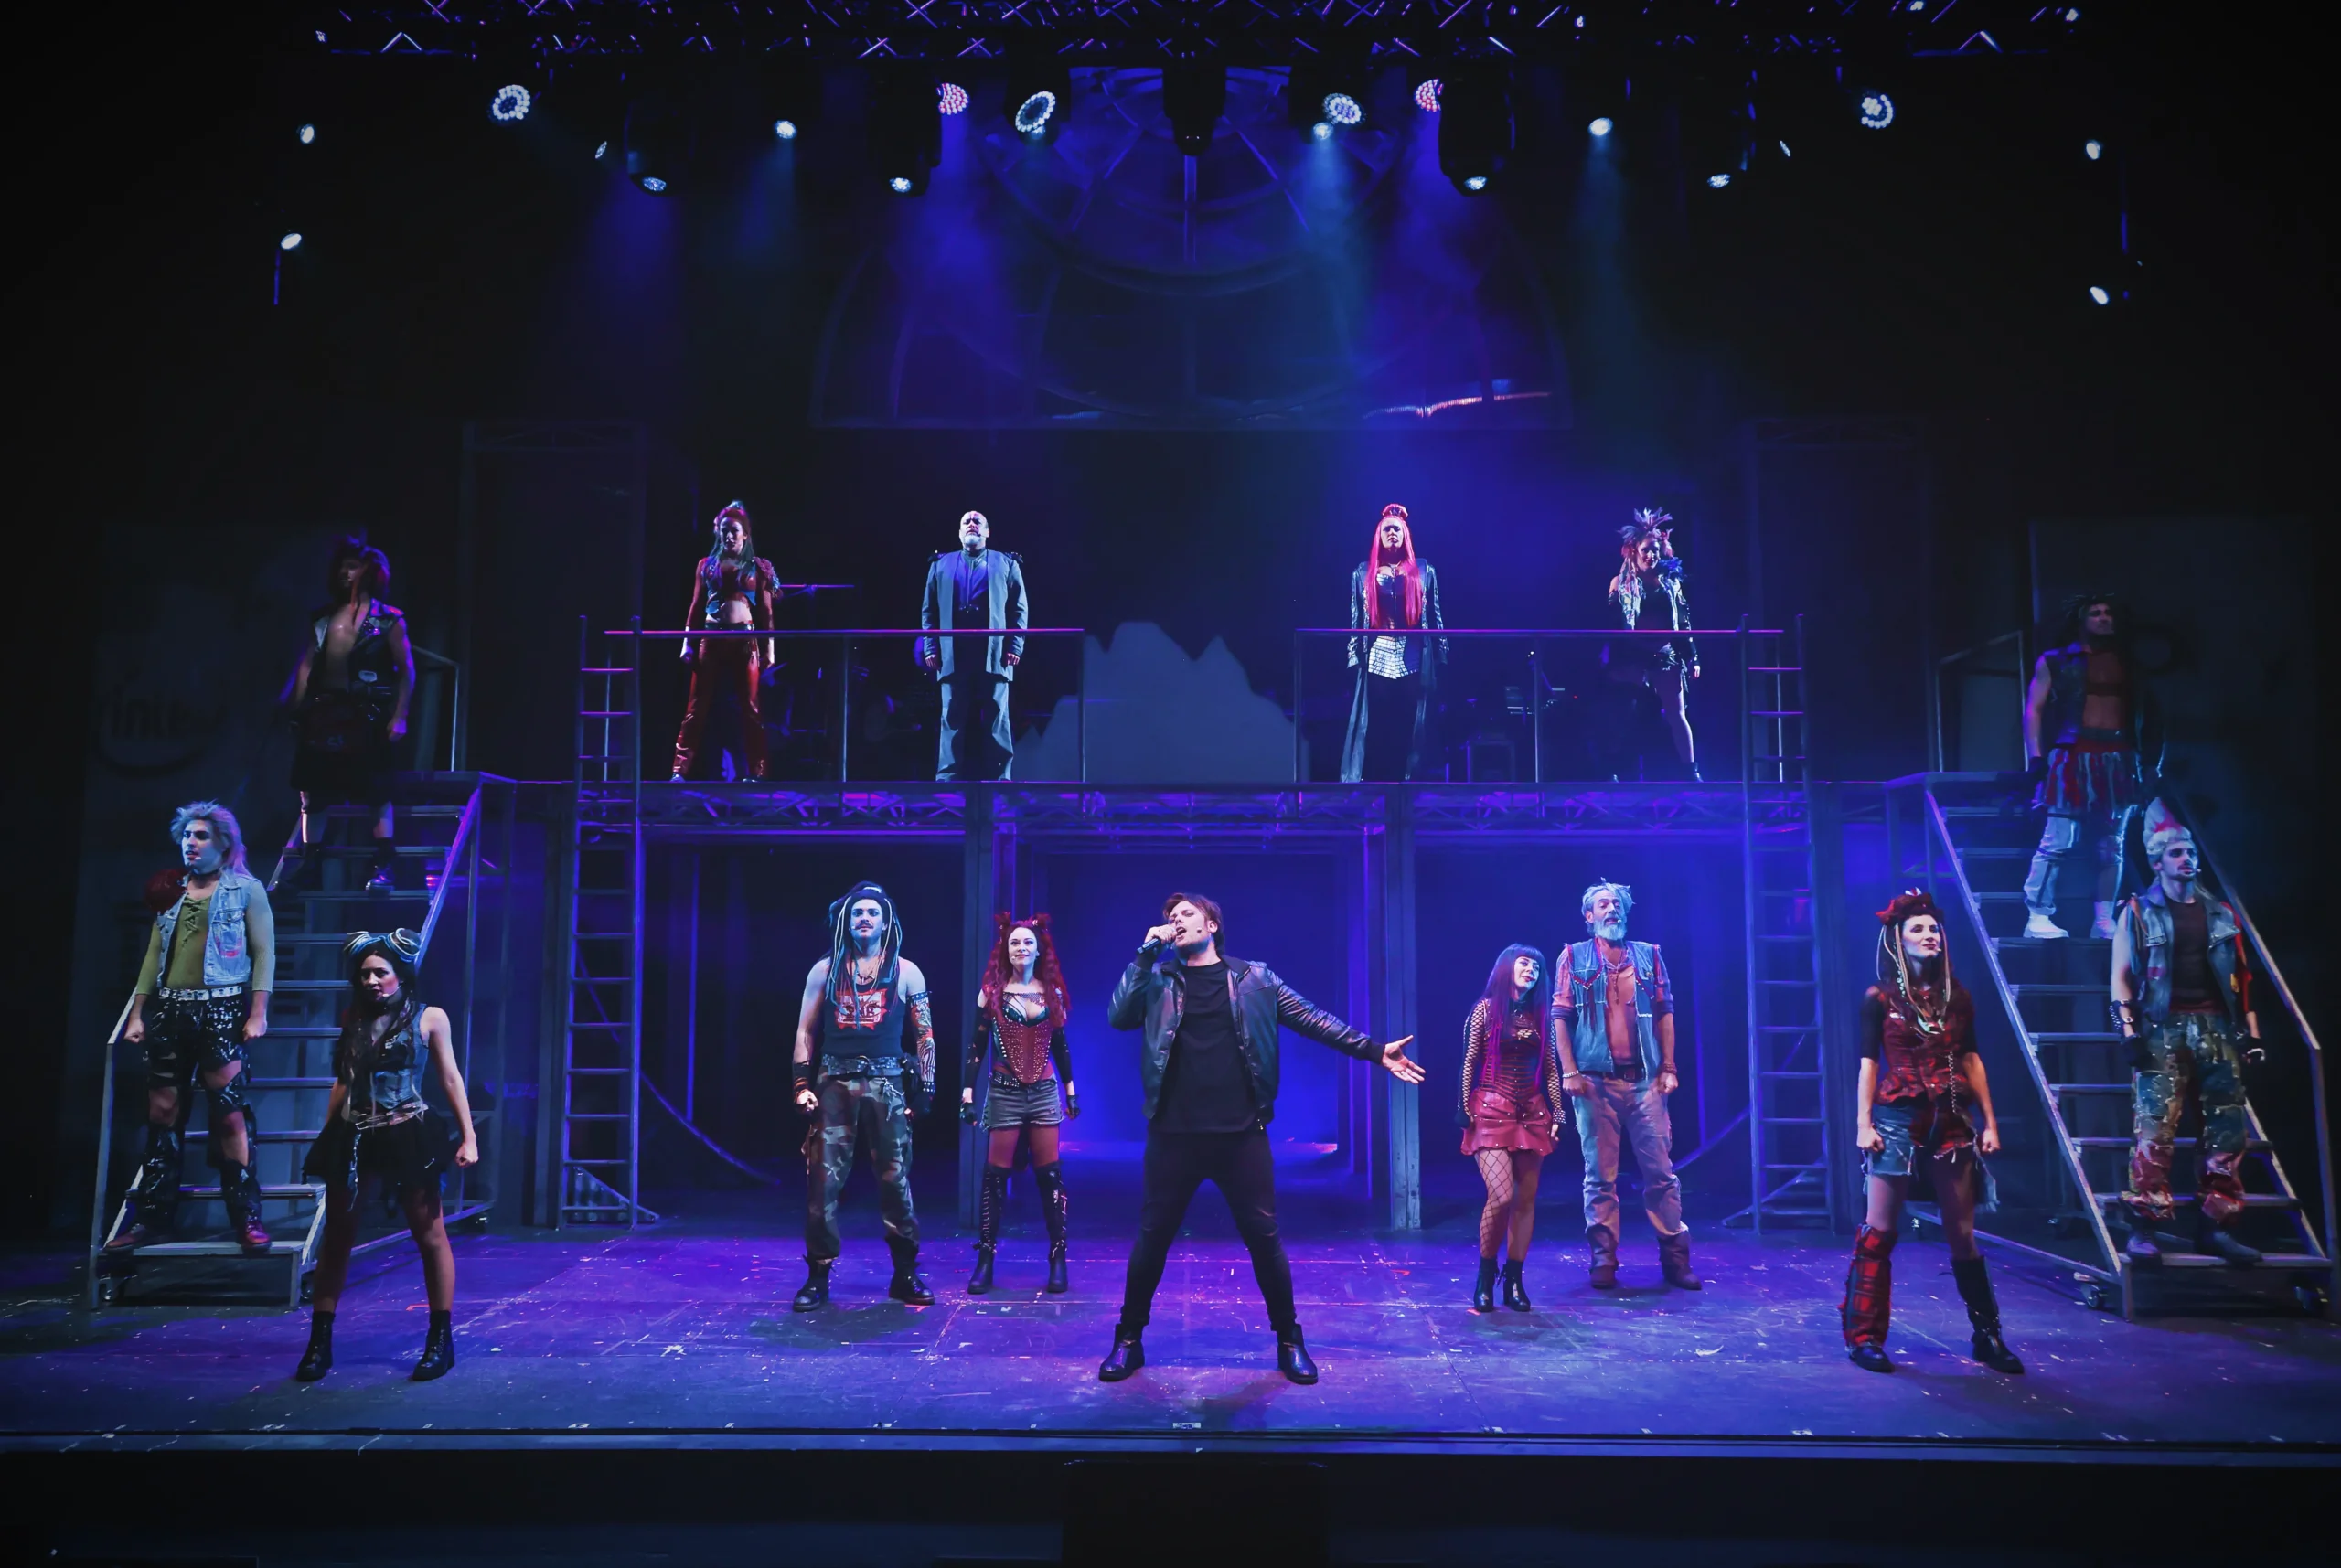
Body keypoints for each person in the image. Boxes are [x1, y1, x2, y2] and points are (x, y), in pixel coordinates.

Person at [1099, 892, 1425, 1385]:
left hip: (1240, 1135)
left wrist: (1374, 1050)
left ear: (1212, 924)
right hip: (1173, 1134)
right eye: (1170, 918)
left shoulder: (1256, 978)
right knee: (1152, 1239)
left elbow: (1314, 1019)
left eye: (1186, 914)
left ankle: (1290, 1341)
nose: (1175, 921)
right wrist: (1145, 953)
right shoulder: (1159, 978)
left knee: (1264, 1240)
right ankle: (1128, 1340)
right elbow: (1118, 1016)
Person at [1842, 890, 2023, 1375]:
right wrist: (1863, 1124)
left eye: (1934, 929)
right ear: (1898, 940)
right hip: (1898, 1117)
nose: (1929, 936)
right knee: (1880, 1230)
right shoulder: (1879, 998)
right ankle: (1864, 1337)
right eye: (1918, 929)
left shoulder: (1957, 997)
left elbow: (1971, 1058)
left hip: (1951, 1117)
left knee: (1962, 1233)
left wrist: (1990, 1121)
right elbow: (1868, 1063)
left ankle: (1988, 1336)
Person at [294, 930, 481, 1383]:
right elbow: (343, 1080)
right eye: (365, 974)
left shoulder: (430, 1017)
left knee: (429, 1234)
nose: (372, 981)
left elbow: (451, 1078)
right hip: (357, 1133)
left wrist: (469, 1137)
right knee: (338, 1237)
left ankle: (440, 1340)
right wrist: (326, 1138)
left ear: (401, 975)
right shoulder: (354, 1018)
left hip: (408, 1129)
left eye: (381, 973)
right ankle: (319, 1342)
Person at [108, 803, 276, 1255]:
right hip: (172, 1009)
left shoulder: (245, 889)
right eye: (187, 835)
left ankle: (246, 1217)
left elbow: (264, 951)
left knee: (229, 1113)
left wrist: (258, 1012)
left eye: (201, 835)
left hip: (221, 1007)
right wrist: (137, 1013)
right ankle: (153, 1218)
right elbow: (153, 954)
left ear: (223, 843)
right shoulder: (169, 889)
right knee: (162, 1112)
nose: (191, 843)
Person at [2111, 800, 2264, 1268]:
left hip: (2216, 1028)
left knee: (2226, 1130)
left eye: (2190, 851)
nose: (2187, 859)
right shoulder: (2139, 912)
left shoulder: (2220, 913)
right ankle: (2145, 1225)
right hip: (2163, 1028)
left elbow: (2242, 979)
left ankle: (2216, 1225)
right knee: (2155, 1129)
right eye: (2176, 853)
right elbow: (2120, 976)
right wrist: (2128, 1031)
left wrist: (2252, 1035)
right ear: (2157, 863)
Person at [791, 883, 938, 1309]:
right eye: (858, 913)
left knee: (896, 1180)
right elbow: (805, 1030)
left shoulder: (907, 971)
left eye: (873, 912)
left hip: (887, 1085)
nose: (865, 919)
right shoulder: (824, 970)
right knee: (822, 1182)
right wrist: (800, 1084)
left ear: (885, 921)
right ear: (847, 920)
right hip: (834, 1084)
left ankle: (905, 1273)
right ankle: (818, 1275)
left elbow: (925, 1036)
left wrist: (926, 1090)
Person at [1553, 880, 1699, 1290]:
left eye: (1617, 903)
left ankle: (1675, 1259)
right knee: (1600, 1176)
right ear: (1589, 915)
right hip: (1594, 1083)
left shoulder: (1649, 955)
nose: (1612, 908)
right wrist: (1569, 1071)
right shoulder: (1573, 956)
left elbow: (1665, 1012)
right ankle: (1603, 1258)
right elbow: (1560, 1016)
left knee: (1661, 1174)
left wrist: (1668, 1067)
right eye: (1603, 904)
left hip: (1644, 1082)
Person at [2022, 593, 2155, 940]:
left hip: (2118, 758)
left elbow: (2151, 713)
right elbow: (2034, 709)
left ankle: (2104, 919)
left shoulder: (2129, 664)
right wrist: (2036, 757)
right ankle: (2037, 914)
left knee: (2112, 845)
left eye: (2109, 612)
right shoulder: (2056, 661)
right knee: (2058, 839)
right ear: (2080, 620)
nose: (2104, 618)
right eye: (2095, 613)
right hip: (2072, 756)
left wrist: (2150, 765)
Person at [285, 537, 414, 892]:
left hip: (367, 713)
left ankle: (384, 863)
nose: (346, 572)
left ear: (370, 571)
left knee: (377, 790)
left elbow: (407, 671)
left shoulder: (388, 620)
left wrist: (400, 716)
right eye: (343, 566)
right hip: (324, 710)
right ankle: (311, 863)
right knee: (311, 789)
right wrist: (298, 708)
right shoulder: (323, 619)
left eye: (353, 566)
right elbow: (307, 664)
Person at [960, 914, 1079, 1295]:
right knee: (995, 1177)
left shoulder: (1051, 992)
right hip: (1005, 1091)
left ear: (1039, 949)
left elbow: (1060, 1045)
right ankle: (985, 1259)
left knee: (1050, 1176)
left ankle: (1058, 1258)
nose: (1022, 948)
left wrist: (1071, 1090)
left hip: (1043, 1091)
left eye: (1028, 942)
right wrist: (967, 1092)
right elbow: (977, 1046)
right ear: (1006, 950)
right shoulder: (992, 992)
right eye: (1015, 943)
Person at [1458, 944, 1566, 1311]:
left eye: (1536, 966)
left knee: (1525, 1200)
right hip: (1490, 1109)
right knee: (1501, 1196)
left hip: (1531, 1112)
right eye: (1524, 963)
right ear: (1507, 967)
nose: (1531, 970)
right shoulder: (1485, 1010)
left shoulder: (1542, 1016)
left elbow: (1550, 1068)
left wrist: (1558, 1113)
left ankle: (1514, 1279)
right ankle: (1485, 1274)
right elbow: (1469, 1060)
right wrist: (1462, 1108)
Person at [671, 501, 779, 783]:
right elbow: (696, 606)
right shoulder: (706, 566)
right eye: (724, 531)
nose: (729, 536)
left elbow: (766, 612)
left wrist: (769, 649)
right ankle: (679, 771)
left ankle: (757, 772)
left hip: (744, 641)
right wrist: (686, 643)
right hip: (711, 638)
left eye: (734, 531)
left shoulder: (757, 568)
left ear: (745, 535)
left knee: (751, 707)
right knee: (696, 706)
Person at [1342, 504, 1448, 782]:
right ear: (1379, 534)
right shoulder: (1363, 572)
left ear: (1405, 535)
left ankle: (1411, 779)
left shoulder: (1423, 570)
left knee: (1412, 720)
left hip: (1413, 651)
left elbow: (1434, 613)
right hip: (1378, 650)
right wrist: (1354, 655)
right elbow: (1356, 617)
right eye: (1387, 529)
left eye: (1397, 530)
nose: (1392, 533)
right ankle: (1376, 780)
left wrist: (1440, 652)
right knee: (1377, 720)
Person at [919, 510, 1028, 782]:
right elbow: (929, 611)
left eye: (977, 521)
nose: (971, 524)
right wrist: (931, 647)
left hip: (994, 653)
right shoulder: (940, 564)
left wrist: (1015, 645)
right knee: (952, 718)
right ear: (959, 533)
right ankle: (947, 781)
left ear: (987, 532)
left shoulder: (1006, 563)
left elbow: (1019, 609)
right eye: (966, 521)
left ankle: (1001, 780)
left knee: (997, 718)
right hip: (953, 653)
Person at [1600, 509, 1700, 779]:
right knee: (1622, 711)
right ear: (1634, 551)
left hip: (1664, 651)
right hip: (1632, 653)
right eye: (1646, 550)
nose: (1651, 555)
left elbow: (1684, 620)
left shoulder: (1671, 583)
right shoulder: (1621, 583)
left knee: (1677, 713)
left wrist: (1693, 656)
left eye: (1655, 550)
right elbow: (1611, 621)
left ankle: (1691, 771)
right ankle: (1611, 770)